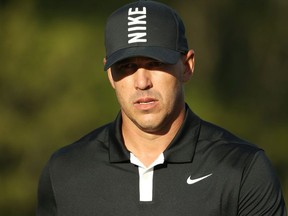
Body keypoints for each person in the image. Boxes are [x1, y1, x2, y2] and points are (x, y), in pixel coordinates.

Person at [36, 0, 287, 215]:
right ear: (110, 76)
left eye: (155, 63)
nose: (142, 82)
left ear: (187, 66)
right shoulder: (65, 172)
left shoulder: (242, 169)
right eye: (126, 67)